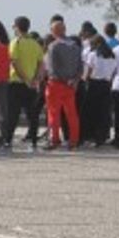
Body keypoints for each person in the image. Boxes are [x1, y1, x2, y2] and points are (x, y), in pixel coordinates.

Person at [0, 16, 42, 151]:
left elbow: (14, 63)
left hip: (17, 83)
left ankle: (7, 141)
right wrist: (34, 79)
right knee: (32, 114)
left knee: (13, 114)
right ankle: (33, 141)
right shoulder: (35, 43)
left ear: (17, 27)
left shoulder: (15, 42)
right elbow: (41, 63)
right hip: (31, 84)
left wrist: (25, 79)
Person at [43, 21, 82, 150]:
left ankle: (54, 140)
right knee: (71, 113)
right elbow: (80, 67)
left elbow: (52, 68)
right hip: (71, 84)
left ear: (54, 31)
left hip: (56, 83)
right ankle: (74, 141)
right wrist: (74, 80)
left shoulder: (53, 46)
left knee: (53, 113)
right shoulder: (75, 46)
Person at [83, 36, 117, 147]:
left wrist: (83, 80)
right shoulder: (112, 56)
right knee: (104, 112)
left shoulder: (93, 55)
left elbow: (88, 72)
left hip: (94, 84)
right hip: (107, 85)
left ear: (96, 44)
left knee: (92, 111)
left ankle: (91, 136)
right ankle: (102, 136)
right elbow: (113, 73)